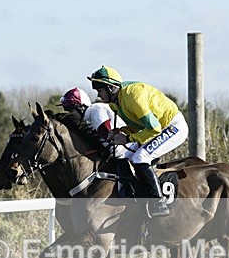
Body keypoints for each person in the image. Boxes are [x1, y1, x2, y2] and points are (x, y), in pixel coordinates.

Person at [87, 65, 189, 217]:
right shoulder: (117, 102)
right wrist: (121, 132)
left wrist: (127, 138)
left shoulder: (132, 96)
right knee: (125, 156)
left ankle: (159, 203)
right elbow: (138, 126)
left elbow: (154, 128)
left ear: (110, 88)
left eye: (100, 91)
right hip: (159, 127)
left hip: (173, 127)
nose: (99, 96)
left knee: (141, 157)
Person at [57, 87, 128, 158]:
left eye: (71, 110)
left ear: (80, 107)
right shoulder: (89, 116)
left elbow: (109, 136)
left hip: (127, 148)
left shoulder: (95, 110)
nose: (71, 114)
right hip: (122, 147)